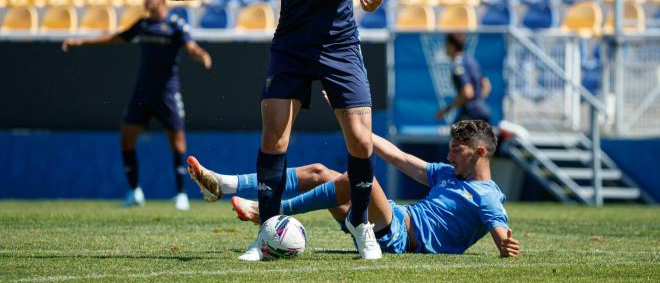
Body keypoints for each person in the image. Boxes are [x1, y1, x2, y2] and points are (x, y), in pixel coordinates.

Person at [133, 0, 388, 260]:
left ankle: (360, 224)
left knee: (360, 141)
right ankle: (267, 235)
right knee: (274, 135)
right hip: (290, 45)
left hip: (340, 45)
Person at [187, 119, 520, 258]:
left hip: (401, 236)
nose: (448, 156)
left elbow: (502, 237)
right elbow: (400, 157)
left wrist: (505, 246)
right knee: (319, 172)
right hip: (387, 217)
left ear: (479, 153)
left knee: (363, 175)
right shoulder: (448, 174)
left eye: (456, 150)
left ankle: (266, 211)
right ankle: (228, 184)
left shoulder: (487, 196)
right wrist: (356, 127)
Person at [62, 0, 212, 211]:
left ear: (161, 0)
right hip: (142, 92)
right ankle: (134, 191)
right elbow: (116, 37)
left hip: (167, 93)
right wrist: (81, 40)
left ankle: (181, 195)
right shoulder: (143, 24)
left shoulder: (175, 25)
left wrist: (201, 55)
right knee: (127, 139)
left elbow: (191, 47)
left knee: (178, 143)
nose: (145, 1)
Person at [435, 33, 492, 124]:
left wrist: (447, 109)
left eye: (446, 44)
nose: (444, 47)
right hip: (483, 111)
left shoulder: (458, 64)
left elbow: (467, 93)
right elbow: (487, 85)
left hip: (470, 114)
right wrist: (478, 102)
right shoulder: (472, 60)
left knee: (457, 136)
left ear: (452, 46)